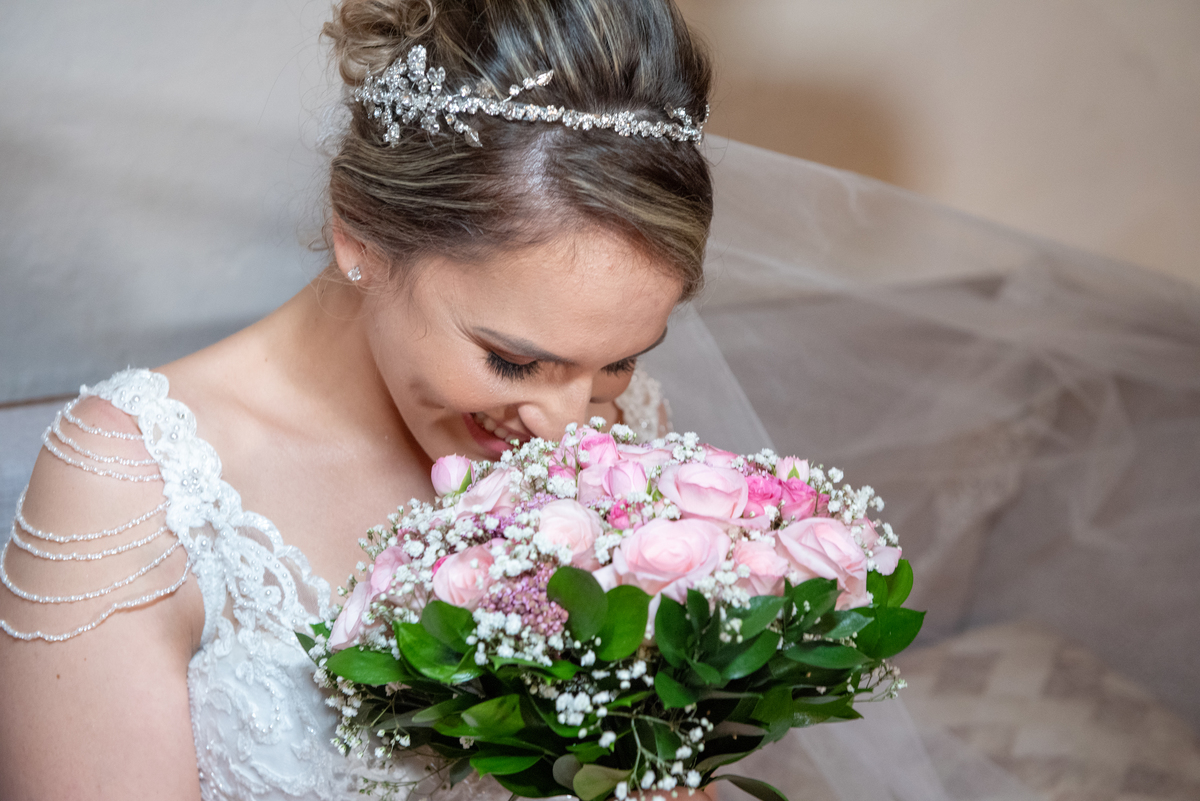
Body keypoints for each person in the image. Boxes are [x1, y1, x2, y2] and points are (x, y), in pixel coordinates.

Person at [0, 1, 717, 798]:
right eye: (513, 361)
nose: (568, 428)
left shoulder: (628, 444)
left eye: (618, 362)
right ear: (361, 235)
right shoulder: (137, 485)